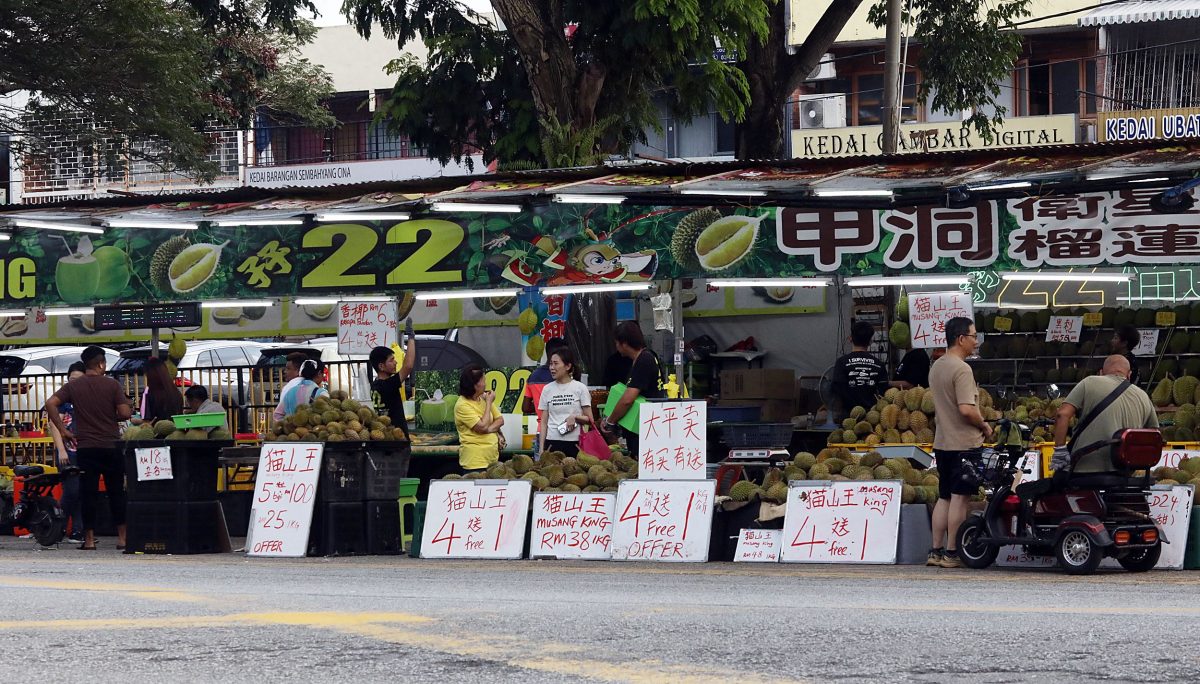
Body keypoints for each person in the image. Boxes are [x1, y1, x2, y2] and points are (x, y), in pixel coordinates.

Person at [44, 346, 132, 551]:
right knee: (117, 492)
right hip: (111, 446)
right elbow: (125, 413)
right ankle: (123, 538)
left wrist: (63, 430)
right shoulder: (112, 385)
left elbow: (50, 403)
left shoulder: (75, 387)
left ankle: (89, 540)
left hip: (86, 448)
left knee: (88, 493)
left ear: (85, 364)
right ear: (101, 363)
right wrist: (118, 411)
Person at [926, 317, 992, 569]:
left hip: (942, 443)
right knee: (960, 498)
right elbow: (966, 409)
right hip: (963, 444)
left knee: (944, 497)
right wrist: (984, 425)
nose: (976, 342)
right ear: (961, 338)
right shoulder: (962, 369)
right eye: (974, 336)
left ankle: (935, 550)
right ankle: (952, 552)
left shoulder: (937, 366)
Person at [1052, 354, 1158, 475]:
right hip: (1125, 473)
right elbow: (1154, 433)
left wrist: (1060, 451)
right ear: (1129, 374)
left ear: (1101, 372)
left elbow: (1062, 415)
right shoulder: (1143, 395)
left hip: (1085, 470)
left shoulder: (1089, 382)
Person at [600, 321, 663, 458]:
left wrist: (610, 421)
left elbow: (628, 399)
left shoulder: (644, 360)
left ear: (624, 343)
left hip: (644, 427)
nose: (616, 347)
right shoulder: (644, 357)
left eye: (617, 343)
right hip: (644, 426)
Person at [46, 362, 85, 543]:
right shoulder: (62, 400)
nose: (74, 383)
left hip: (83, 451)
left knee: (79, 492)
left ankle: (77, 531)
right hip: (67, 452)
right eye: (71, 380)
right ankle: (56, 527)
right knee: (71, 491)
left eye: (78, 379)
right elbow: (54, 425)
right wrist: (61, 450)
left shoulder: (87, 398)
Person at [537, 348, 592, 458]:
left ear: (568, 366)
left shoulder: (580, 388)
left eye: (556, 364)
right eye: (551, 364)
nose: (552, 368)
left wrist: (575, 417)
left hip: (575, 443)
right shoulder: (547, 389)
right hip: (552, 442)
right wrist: (541, 448)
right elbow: (544, 422)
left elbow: (590, 420)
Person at [368, 324, 417, 440]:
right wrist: (411, 337)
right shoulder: (387, 385)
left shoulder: (375, 385)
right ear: (381, 366)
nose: (395, 363)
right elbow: (408, 366)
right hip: (396, 440)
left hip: (384, 438)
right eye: (391, 360)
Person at [831, 320, 889, 418]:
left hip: (847, 419)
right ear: (870, 341)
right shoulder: (879, 365)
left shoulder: (841, 362)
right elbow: (884, 392)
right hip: (872, 419)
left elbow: (836, 389)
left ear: (850, 339)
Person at [454, 364, 503, 473]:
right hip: (475, 463)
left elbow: (500, 420)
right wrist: (489, 403)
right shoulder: (462, 405)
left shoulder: (483, 398)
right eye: (483, 380)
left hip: (492, 460)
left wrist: (489, 430)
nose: (485, 384)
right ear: (475, 385)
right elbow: (482, 426)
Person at [522, 337, 566, 421]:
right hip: (562, 428)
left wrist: (540, 405)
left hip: (541, 428)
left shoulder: (533, 377)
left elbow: (526, 408)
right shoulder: (562, 376)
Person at [274, 355, 327, 420]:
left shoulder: (290, 391)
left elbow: (277, 415)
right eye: (323, 374)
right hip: (312, 429)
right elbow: (327, 417)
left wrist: (288, 426)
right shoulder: (322, 394)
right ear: (319, 373)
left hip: (291, 429)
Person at [134, 356, 183, 425]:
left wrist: (134, 421)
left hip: (156, 432)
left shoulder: (148, 392)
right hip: (176, 431)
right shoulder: (175, 391)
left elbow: (146, 422)